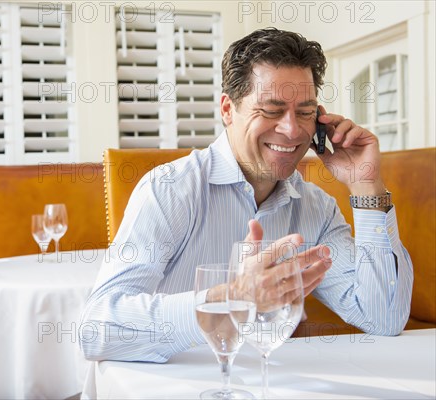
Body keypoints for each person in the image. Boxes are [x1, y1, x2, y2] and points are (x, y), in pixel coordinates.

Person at [79, 28, 413, 362]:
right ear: (228, 109)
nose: (292, 129)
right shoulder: (170, 190)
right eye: (271, 110)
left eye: (305, 112)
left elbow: (382, 318)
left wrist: (367, 186)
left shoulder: (317, 209)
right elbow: (97, 331)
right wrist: (231, 299)